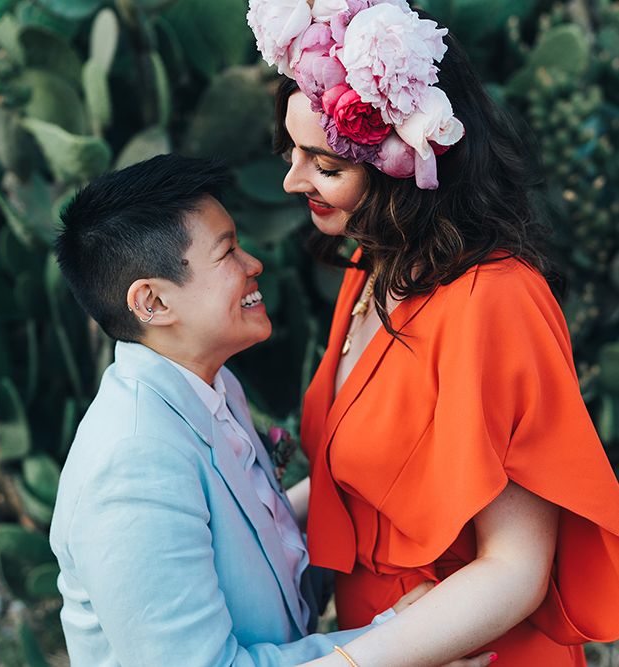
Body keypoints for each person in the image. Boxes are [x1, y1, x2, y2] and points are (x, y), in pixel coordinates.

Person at [247, 1, 619, 666]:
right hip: (380, 637)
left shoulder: (492, 301)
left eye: (322, 165)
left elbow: (515, 567)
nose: (291, 180)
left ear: (407, 167)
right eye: (289, 152)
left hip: (467, 648)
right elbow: (355, 480)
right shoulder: (372, 265)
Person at [49, 155, 493, 666]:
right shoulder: (132, 466)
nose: (252, 264)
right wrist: (404, 643)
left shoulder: (206, 387)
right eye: (228, 252)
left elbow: (260, 536)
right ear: (152, 302)